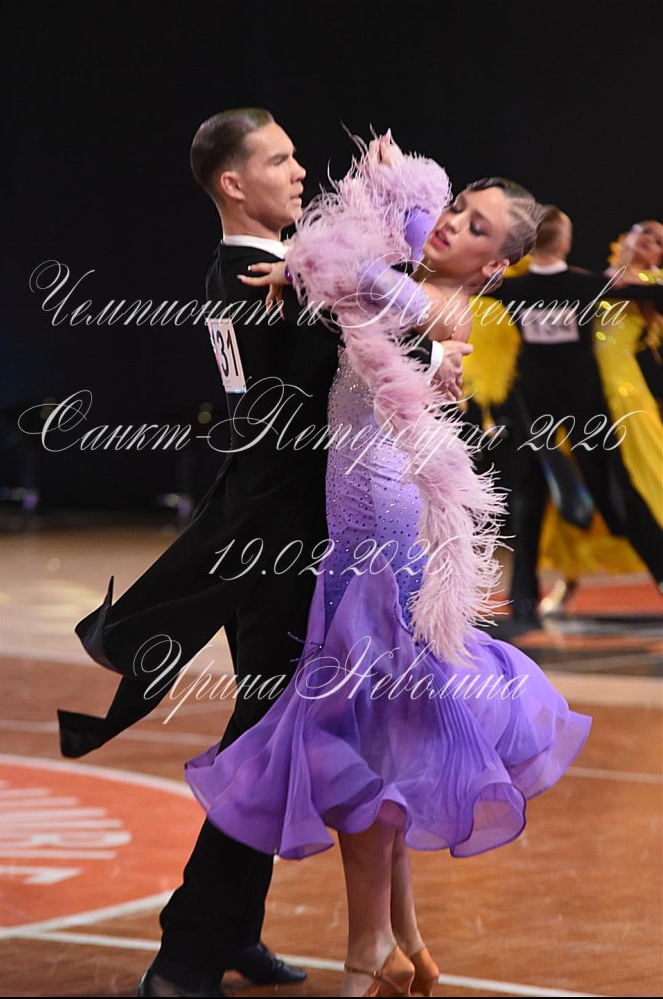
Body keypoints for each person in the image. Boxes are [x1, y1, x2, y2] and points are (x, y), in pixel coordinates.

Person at [57, 110, 462, 998]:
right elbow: (359, 349)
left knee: (271, 731)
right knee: (267, 742)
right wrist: (433, 343)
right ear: (232, 183)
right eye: (278, 160)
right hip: (284, 545)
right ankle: (187, 953)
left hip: (270, 535)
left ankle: (231, 932)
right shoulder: (260, 275)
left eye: (295, 156)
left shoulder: (270, 268)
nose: (298, 170)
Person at [182, 135, 593, 998]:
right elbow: (393, 240)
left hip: (385, 542)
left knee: (367, 746)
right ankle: (402, 939)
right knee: (382, 745)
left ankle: (368, 950)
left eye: (475, 227)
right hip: (353, 536)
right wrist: (380, 186)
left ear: (497, 264)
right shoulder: (419, 279)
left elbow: (375, 281)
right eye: (456, 207)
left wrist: (310, 262)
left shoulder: (443, 307)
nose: (450, 224)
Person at [480, 208, 663, 623]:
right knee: (612, 492)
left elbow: (473, 287)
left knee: (532, 495)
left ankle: (523, 597)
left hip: (541, 408)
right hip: (586, 409)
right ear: (565, 242)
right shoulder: (589, 284)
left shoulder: (516, 288)